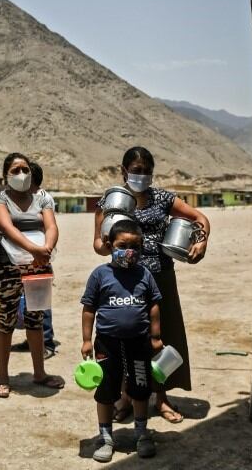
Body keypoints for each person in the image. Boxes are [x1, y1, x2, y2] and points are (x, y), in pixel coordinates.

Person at [93, 146, 210, 424]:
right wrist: (108, 244)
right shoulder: (109, 202)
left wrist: (202, 240)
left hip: (159, 279)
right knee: (124, 337)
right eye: (136, 171)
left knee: (162, 336)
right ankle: (125, 397)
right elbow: (98, 244)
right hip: (122, 282)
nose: (141, 176)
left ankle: (163, 397)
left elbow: (199, 218)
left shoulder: (163, 198)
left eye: (147, 172)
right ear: (123, 171)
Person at [81, 219, 161, 462]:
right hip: (107, 343)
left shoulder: (144, 274)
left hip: (138, 342)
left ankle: (141, 433)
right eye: (122, 245)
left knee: (140, 388)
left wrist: (156, 336)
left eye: (135, 247)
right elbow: (88, 308)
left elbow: (154, 304)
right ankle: (105, 437)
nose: (129, 251)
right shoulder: (100, 274)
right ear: (108, 244)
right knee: (106, 389)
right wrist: (86, 340)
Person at [0, 153, 64, 398]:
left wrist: (46, 249)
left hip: (38, 265)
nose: (22, 174)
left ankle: (39, 373)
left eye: (25, 169)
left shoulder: (42, 199)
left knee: (36, 319)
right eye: (16, 170)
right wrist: (35, 250)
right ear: (5, 175)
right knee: (5, 320)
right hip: (6, 268)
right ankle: (2, 378)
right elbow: (7, 228)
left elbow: (51, 226)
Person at [11, 161, 59, 359]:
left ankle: (46, 342)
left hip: (38, 255)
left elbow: (47, 226)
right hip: (21, 254)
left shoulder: (41, 198)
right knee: (28, 301)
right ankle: (32, 340)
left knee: (40, 300)